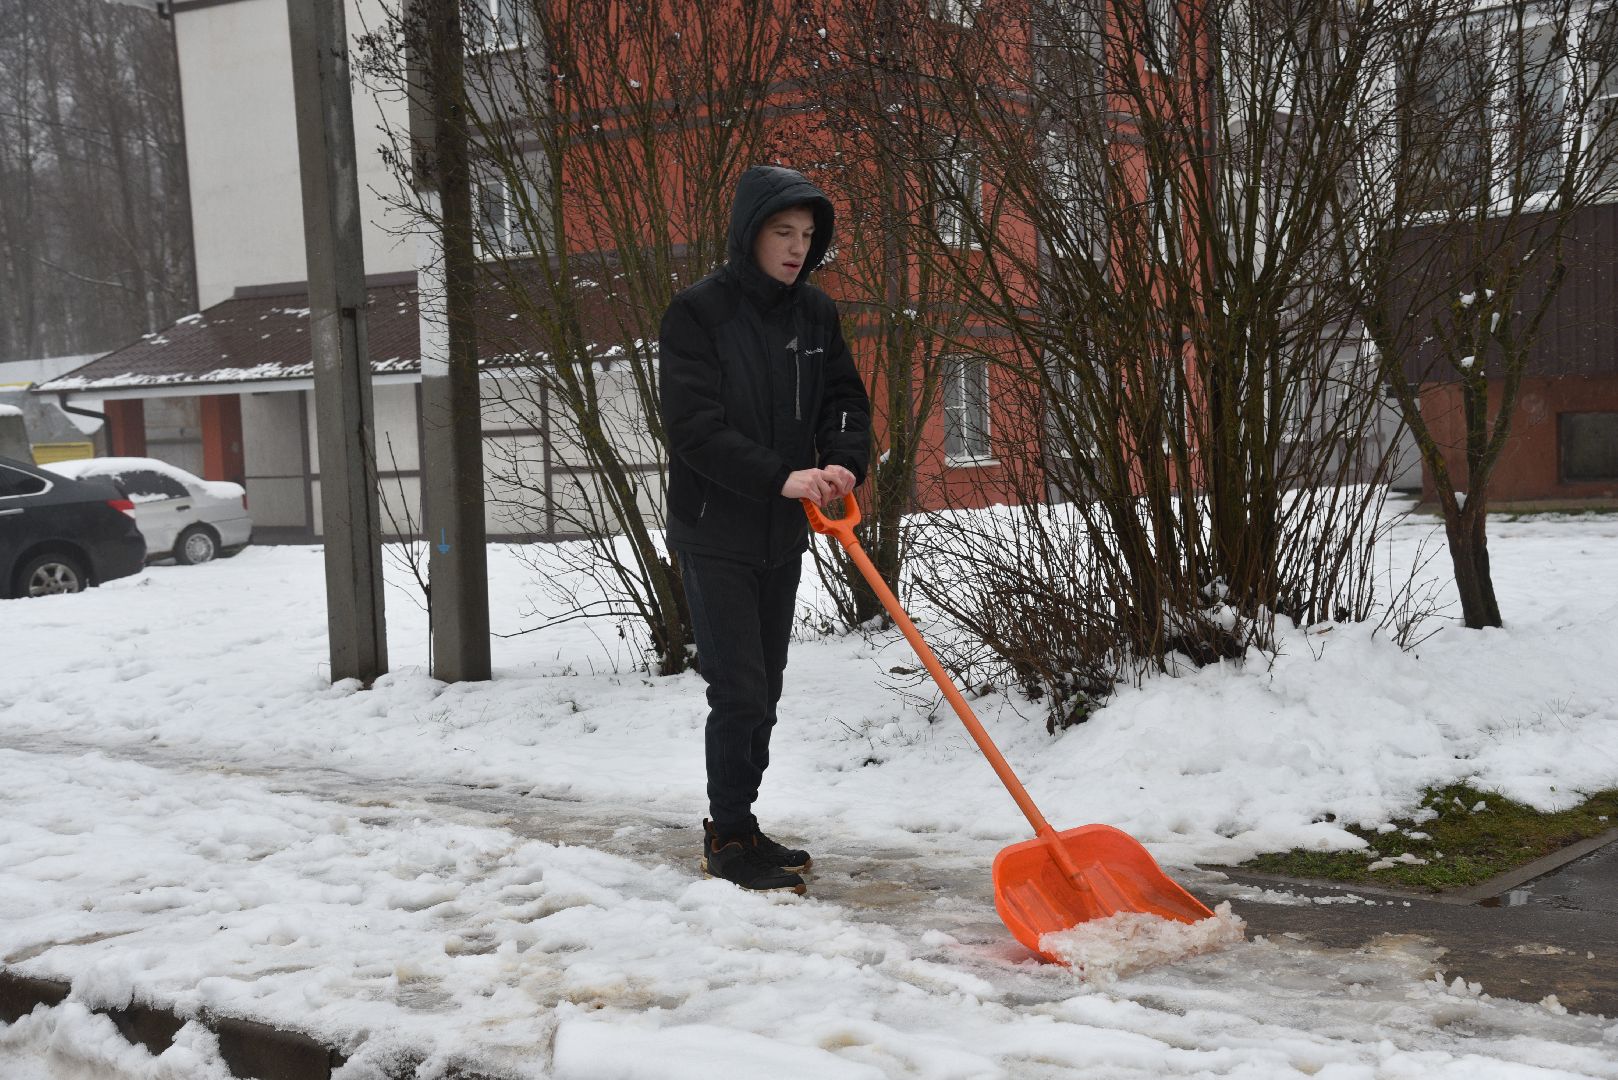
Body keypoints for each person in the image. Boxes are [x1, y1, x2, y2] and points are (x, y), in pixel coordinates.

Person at [658, 165, 871, 894]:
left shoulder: (815, 314)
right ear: (751, 232)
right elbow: (693, 428)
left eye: (807, 237)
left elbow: (844, 398)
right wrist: (779, 475)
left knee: (766, 689)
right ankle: (726, 834)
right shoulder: (697, 314)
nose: (796, 248)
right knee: (739, 688)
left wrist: (842, 461)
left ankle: (743, 824)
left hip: (783, 531)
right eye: (783, 232)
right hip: (715, 527)